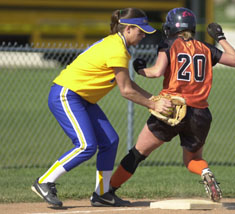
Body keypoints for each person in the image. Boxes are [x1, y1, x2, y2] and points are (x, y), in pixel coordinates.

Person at [31, 8, 173, 208]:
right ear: (129, 29)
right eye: (141, 31)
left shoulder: (117, 45)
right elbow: (125, 91)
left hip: (83, 99)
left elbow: (129, 85)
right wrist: (153, 104)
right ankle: (45, 181)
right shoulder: (117, 49)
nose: (143, 36)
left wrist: (155, 98)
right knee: (85, 145)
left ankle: (103, 194)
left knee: (109, 141)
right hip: (67, 95)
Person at [108, 7, 235, 203]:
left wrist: (139, 69)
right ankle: (205, 171)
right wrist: (220, 38)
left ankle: (109, 189)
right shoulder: (205, 47)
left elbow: (156, 72)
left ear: (171, 27)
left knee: (138, 153)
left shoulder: (169, 44)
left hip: (170, 109)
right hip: (200, 113)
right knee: (192, 160)